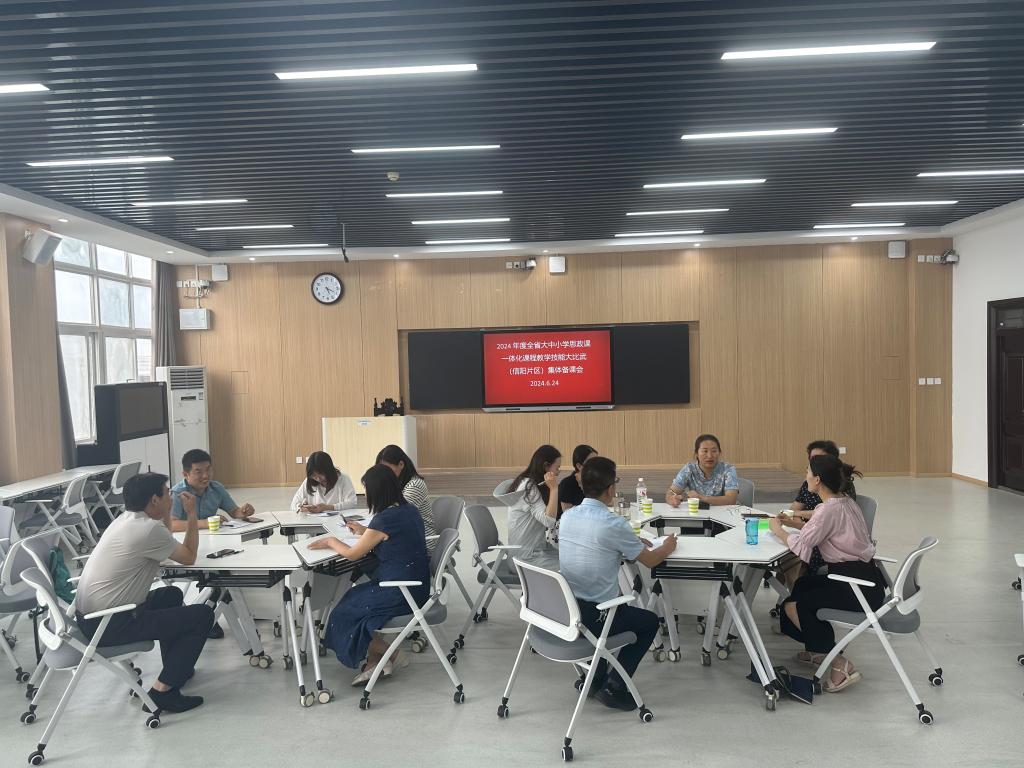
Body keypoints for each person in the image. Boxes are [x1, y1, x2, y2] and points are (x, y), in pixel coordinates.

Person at [74, 472, 214, 713]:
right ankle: (163, 692)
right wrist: (191, 514)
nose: (171, 496)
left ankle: (176, 668)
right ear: (154, 500)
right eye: (167, 493)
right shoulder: (148, 530)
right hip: (111, 624)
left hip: (92, 617)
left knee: (171, 595)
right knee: (202, 615)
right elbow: (189, 557)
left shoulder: (126, 519)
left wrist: (167, 511)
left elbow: (164, 538)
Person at [558, 457, 677, 711]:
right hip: (597, 617)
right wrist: (668, 545)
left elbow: (592, 546)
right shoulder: (613, 523)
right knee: (648, 622)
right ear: (611, 488)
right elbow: (651, 561)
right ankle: (615, 686)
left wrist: (628, 544)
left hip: (568, 610)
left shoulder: (568, 516)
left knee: (613, 619)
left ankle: (595, 678)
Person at [769, 455, 882, 693]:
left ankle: (838, 662)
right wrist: (794, 524)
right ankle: (818, 649)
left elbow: (803, 546)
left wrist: (778, 530)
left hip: (855, 588)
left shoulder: (827, 510)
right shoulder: (845, 501)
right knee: (802, 585)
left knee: (795, 606)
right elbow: (821, 529)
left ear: (818, 479)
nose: (805, 476)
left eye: (807, 472)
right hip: (867, 580)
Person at [315, 464, 429, 686]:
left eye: (367, 489)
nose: (365, 495)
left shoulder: (384, 520)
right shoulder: (409, 510)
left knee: (342, 614)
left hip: (399, 590)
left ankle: (391, 653)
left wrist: (330, 541)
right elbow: (392, 538)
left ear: (377, 491)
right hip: (419, 586)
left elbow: (352, 554)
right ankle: (376, 663)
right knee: (356, 603)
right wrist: (365, 532)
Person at [170, 449, 255, 531]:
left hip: (211, 536)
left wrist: (243, 512)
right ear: (185, 474)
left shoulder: (216, 488)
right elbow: (171, 524)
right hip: (185, 538)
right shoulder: (178, 493)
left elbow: (234, 511)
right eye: (198, 472)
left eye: (208, 469)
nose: (205, 475)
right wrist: (204, 523)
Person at [507, 445, 561, 570]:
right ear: (546, 466)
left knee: (572, 560)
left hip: (536, 550)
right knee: (572, 569)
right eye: (557, 468)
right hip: (525, 558)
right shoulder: (528, 488)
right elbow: (549, 521)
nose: (558, 472)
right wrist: (554, 489)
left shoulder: (528, 482)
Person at [376, 445, 437, 549]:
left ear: (401, 464)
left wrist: (368, 532)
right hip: (405, 536)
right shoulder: (396, 483)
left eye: (388, 469)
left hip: (422, 543)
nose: (384, 474)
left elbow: (396, 517)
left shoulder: (415, 485)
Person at [665, 434, 739, 507]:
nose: (710, 456)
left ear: (719, 453)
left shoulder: (728, 469)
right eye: (705, 451)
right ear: (696, 454)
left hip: (724, 512)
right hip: (698, 512)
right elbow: (671, 492)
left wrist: (701, 498)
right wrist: (672, 499)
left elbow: (731, 500)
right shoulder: (689, 469)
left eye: (714, 451)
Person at [790, 440, 857, 517]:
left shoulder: (841, 482)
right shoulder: (809, 483)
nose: (815, 462)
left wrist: (799, 514)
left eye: (820, 459)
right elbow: (794, 509)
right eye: (812, 459)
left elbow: (835, 512)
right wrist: (796, 518)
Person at [291, 451, 358, 513]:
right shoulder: (309, 481)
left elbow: (352, 503)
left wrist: (328, 507)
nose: (318, 478)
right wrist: (301, 508)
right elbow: (294, 503)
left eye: (320, 474)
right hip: (314, 520)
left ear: (329, 470)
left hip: (338, 519)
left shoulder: (343, 479)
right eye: (314, 475)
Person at [558, 444, 597, 515]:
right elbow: (567, 513)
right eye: (591, 463)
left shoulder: (597, 481)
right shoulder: (567, 484)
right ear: (579, 466)